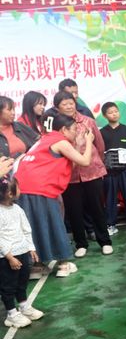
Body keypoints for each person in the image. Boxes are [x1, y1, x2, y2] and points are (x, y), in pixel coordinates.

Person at [15, 113, 95, 277]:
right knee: (54, 223)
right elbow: (85, 162)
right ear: (64, 129)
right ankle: (64, 264)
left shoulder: (43, 140)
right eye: (73, 129)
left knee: (33, 228)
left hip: (22, 189)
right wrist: (88, 142)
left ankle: (36, 266)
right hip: (41, 188)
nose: (75, 133)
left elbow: (67, 165)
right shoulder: (60, 141)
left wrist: (77, 144)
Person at [50, 91, 112, 257]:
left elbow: (100, 146)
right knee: (74, 211)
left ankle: (105, 241)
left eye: (71, 102)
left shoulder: (88, 121)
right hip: (69, 176)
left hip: (92, 172)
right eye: (65, 104)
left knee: (97, 208)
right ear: (57, 108)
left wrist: (96, 162)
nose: (69, 106)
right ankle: (80, 244)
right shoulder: (55, 127)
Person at [0, 177, 42, 329]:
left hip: (22, 252)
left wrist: (31, 247)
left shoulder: (18, 209)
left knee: (22, 282)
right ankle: (11, 314)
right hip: (7, 257)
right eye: (17, 188)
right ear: (10, 194)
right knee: (8, 286)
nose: (20, 190)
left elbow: (26, 229)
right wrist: (9, 256)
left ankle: (24, 306)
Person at [100, 102, 126, 235]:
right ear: (105, 115)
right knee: (110, 198)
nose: (114, 114)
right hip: (109, 172)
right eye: (110, 112)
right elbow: (100, 151)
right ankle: (111, 224)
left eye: (116, 111)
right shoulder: (102, 132)